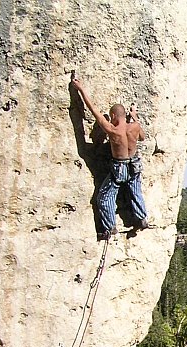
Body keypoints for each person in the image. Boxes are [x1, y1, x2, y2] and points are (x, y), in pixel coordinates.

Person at [72, 76, 149, 240]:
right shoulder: (134, 127)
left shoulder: (113, 130)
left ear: (113, 115)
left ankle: (109, 228)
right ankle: (141, 218)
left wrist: (81, 89)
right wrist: (134, 117)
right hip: (134, 163)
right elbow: (142, 137)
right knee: (135, 192)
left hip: (119, 166)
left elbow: (93, 111)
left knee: (105, 197)